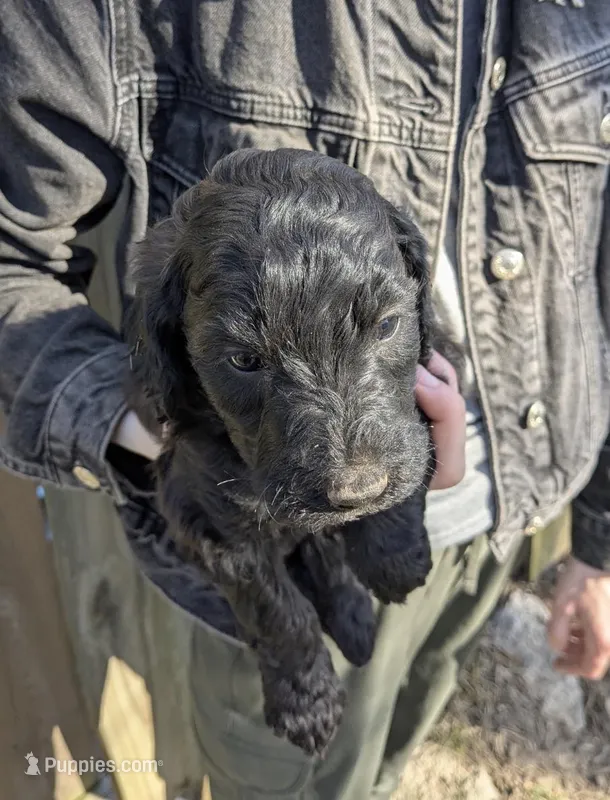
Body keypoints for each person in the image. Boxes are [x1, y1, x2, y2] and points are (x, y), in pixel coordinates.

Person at [0, 1, 608, 798]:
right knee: (295, 773)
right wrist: (154, 433)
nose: (351, 472)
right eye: (247, 356)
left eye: (388, 321)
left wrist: (596, 542)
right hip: (256, 547)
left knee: (393, 738)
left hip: (501, 517)